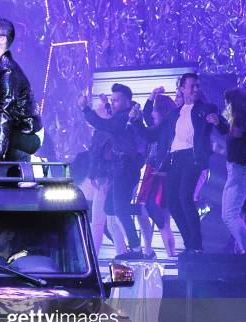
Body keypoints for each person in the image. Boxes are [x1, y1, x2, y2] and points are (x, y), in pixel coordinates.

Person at [145, 74, 229, 253]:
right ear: (182, 88)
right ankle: (189, 243)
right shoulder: (175, 113)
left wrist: (218, 121)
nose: (196, 89)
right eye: (192, 86)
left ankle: (196, 245)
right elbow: (153, 131)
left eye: (198, 86)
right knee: (173, 202)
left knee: (185, 196)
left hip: (192, 158)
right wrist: (138, 118)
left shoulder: (205, 108)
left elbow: (223, 128)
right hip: (175, 159)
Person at [78, 83, 146, 259]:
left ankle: (136, 249)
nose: (112, 103)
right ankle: (126, 249)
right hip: (119, 169)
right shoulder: (123, 116)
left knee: (120, 209)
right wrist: (105, 104)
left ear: (127, 101)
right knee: (110, 209)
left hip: (125, 169)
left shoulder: (124, 118)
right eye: (111, 101)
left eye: (116, 100)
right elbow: (108, 119)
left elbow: (102, 123)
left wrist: (85, 108)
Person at [0, 18, 42, 169]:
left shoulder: (8, 72)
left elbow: (6, 113)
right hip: (8, 128)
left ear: (1, 40)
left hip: (26, 133)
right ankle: (6, 161)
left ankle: (30, 161)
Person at [139, 91, 177, 258]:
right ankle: (151, 250)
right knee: (145, 210)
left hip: (159, 171)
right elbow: (148, 116)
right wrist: (152, 97)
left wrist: (165, 170)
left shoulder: (167, 129)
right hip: (152, 170)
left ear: (162, 112)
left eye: (155, 110)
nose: (152, 114)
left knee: (159, 214)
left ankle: (170, 254)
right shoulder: (158, 127)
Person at [221, 88, 246, 253]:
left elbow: (235, 134)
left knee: (230, 214)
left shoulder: (239, 118)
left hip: (239, 169)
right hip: (236, 167)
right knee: (230, 214)